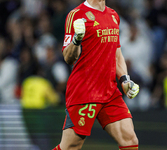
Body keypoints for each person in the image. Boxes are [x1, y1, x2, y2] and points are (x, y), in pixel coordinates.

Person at [53, 0, 140, 150]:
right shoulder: (75, 15)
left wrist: (125, 79)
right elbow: (68, 58)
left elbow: (117, 53)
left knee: (130, 139)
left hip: (109, 91)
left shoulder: (113, 15)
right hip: (84, 91)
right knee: (70, 147)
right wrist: (76, 40)